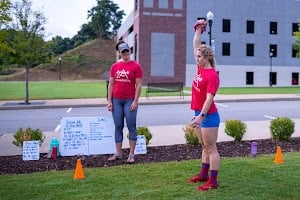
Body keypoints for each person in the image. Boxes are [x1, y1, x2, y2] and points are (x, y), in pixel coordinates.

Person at [188, 19, 221, 191]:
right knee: (204, 146)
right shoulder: (200, 68)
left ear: (207, 57)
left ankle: (213, 181)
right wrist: (199, 29)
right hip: (198, 112)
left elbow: (209, 99)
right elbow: (196, 44)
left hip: (208, 115)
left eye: (199, 56)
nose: (196, 58)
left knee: (211, 147)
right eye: (196, 56)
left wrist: (200, 116)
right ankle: (203, 174)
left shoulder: (212, 75)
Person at [107, 41, 143, 164]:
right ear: (120, 53)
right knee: (118, 126)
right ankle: (118, 153)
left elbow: (138, 85)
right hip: (116, 100)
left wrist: (135, 101)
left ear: (130, 51)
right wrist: (109, 101)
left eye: (127, 51)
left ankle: (131, 154)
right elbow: (111, 84)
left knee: (131, 125)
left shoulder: (136, 66)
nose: (125, 54)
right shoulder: (114, 67)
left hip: (129, 100)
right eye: (123, 52)